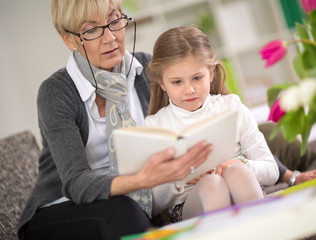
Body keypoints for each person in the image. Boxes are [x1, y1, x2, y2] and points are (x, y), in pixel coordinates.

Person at [17, 1, 213, 240]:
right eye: (91, 30)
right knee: (124, 211)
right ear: (69, 40)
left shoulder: (149, 70)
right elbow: (76, 183)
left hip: (143, 192)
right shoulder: (56, 92)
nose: (110, 38)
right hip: (63, 206)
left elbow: (188, 123)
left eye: (114, 20)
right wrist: (141, 180)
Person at [145, 26, 279, 222]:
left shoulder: (232, 106)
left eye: (197, 78)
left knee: (238, 171)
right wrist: (179, 179)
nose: (189, 90)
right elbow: (153, 202)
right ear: (162, 83)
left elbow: (271, 171)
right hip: (191, 202)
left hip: (241, 187)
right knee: (214, 185)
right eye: (177, 82)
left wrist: (242, 163)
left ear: (211, 73)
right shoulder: (155, 126)